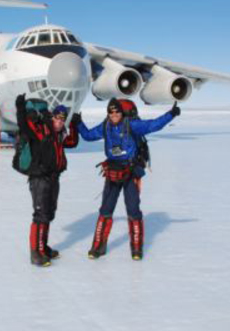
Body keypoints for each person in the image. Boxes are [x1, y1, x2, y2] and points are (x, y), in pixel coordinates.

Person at [74, 99, 180, 261]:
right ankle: (98, 246)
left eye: (117, 111)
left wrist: (171, 114)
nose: (114, 114)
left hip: (130, 173)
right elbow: (88, 136)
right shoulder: (105, 126)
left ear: (122, 113)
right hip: (112, 172)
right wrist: (79, 123)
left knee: (133, 210)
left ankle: (136, 247)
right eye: (111, 112)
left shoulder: (131, 125)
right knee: (105, 210)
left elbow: (153, 125)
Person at [16, 95, 79, 267]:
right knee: (40, 215)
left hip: (53, 178)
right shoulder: (41, 130)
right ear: (52, 117)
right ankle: (36, 253)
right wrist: (20, 108)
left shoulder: (60, 134)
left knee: (49, 213)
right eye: (57, 118)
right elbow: (24, 126)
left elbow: (72, 142)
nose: (60, 122)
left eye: (63, 119)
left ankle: (43, 247)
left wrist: (74, 125)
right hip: (39, 178)